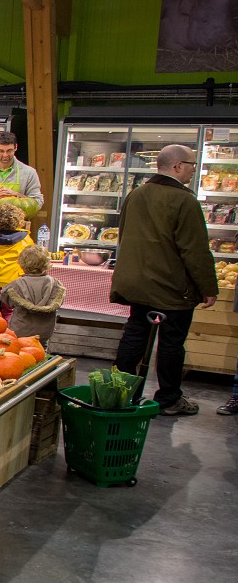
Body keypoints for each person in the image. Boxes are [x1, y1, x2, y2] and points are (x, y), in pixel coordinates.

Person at [111, 144, 218, 416]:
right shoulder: (184, 201)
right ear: (178, 166)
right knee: (171, 343)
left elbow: (124, 237)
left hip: (136, 284)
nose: (194, 170)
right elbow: (194, 250)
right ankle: (169, 398)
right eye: (192, 165)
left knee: (134, 335)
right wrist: (208, 287)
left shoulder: (136, 195)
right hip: (171, 288)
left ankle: (123, 393)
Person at [0, 245, 66, 345]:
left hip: (21, 330)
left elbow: (7, 301)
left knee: (20, 353)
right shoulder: (55, 284)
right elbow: (59, 301)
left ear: (22, 264)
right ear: (47, 263)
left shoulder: (16, 285)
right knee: (40, 351)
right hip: (44, 331)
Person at [0, 201, 33, 314]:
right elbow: (28, 258)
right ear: (19, 219)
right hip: (13, 280)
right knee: (9, 311)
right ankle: (6, 330)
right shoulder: (25, 238)